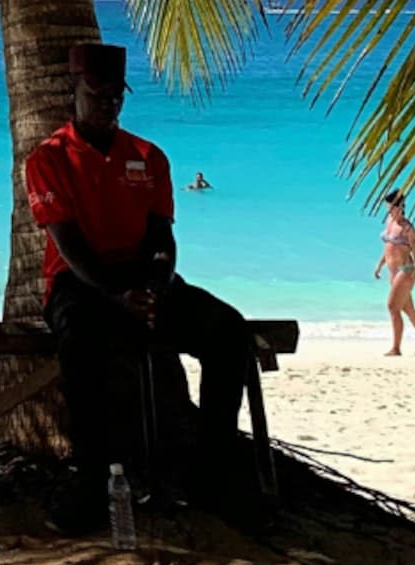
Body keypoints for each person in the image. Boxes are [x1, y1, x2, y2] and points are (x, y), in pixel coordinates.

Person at [25, 44, 251, 527]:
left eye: (116, 95)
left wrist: (155, 285)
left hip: (143, 281)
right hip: (81, 285)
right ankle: (91, 481)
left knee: (228, 331)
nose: (109, 103)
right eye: (97, 93)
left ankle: (213, 470)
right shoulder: (48, 159)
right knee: (81, 345)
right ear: (75, 91)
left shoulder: (148, 156)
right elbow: (67, 245)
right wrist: (117, 297)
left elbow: (162, 235)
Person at [377, 190, 415, 355]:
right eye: (388, 208)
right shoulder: (389, 221)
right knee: (408, 310)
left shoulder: (408, 229)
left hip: (406, 271)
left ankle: (396, 348)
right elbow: (388, 247)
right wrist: (380, 265)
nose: (389, 211)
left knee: (392, 307)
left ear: (400, 206)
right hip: (392, 272)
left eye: (392, 207)